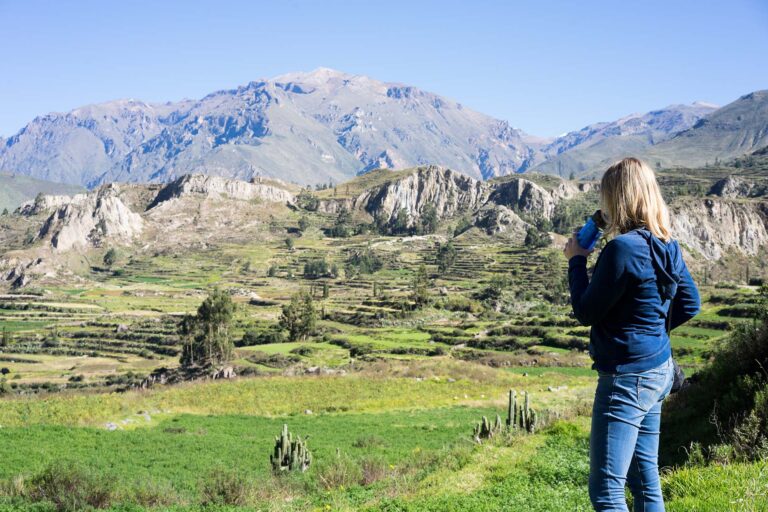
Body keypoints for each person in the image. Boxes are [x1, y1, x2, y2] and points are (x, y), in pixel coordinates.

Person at [563, 157, 701, 511]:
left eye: (607, 197)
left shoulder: (621, 249)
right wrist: (649, 330)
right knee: (645, 481)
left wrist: (576, 259)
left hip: (626, 378)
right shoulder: (667, 244)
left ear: (619, 198)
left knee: (607, 493)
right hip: (659, 369)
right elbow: (690, 303)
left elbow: (585, 311)